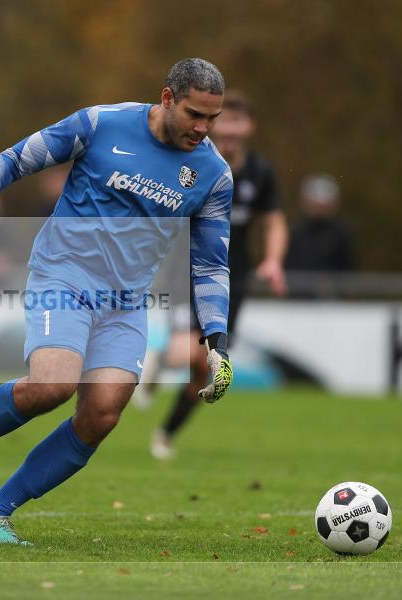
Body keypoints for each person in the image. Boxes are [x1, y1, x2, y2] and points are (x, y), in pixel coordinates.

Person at [0, 58, 234, 545]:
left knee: (102, 413)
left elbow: (211, 263)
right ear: (167, 98)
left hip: (126, 300)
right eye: (195, 114)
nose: (203, 128)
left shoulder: (213, 174)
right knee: (54, 384)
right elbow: (20, 157)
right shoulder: (100, 123)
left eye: (212, 118)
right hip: (63, 276)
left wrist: (215, 338)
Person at [148, 90, 288, 460]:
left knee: (207, 367)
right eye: (225, 120)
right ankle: (157, 363)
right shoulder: (192, 162)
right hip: (186, 270)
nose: (230, 129)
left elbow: (274, 221)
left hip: (231, 279)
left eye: (238, 121)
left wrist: (273, 260)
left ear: (249, 126)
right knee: (188, 352)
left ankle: (165, 433)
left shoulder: (259, 173)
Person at [285, 173, 356, 272]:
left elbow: (347, 267)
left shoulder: (341, 233)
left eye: (323, 204)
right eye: (316, 203)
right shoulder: (295, 232)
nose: (319, 208)